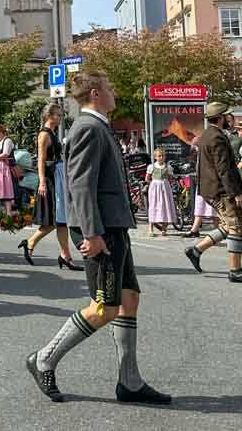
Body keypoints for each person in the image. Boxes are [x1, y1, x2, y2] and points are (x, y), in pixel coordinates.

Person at [27, 70, 170, 405]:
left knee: (129, 298)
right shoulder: (88, 128)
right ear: (95, 93)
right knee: (104, 307)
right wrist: (92, 233)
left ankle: (129, 382)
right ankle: (44, 358)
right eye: (108, 87)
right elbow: (80, 185)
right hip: (100, 231)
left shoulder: (97, 125)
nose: (113, 91)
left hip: (113, 227)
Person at [18, 104, 82, 271]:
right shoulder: (44, 134)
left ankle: (65, 255)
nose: (60, 118)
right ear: (49, 116)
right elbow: (41, 159)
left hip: (57, 176)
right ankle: (32, 242)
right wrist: (42, 182)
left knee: (61, 220)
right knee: (57, 219)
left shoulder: (52, 133)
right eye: (58, 115)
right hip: (51, 178)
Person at [184, 102, 242, 282]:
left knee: (227, 224)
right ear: (220, 118)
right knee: (236, 225)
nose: (230, 119)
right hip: (220, 190)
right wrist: (236, 193)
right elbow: (223, 169)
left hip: (212, 189)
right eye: (227, 116)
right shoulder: (216, 137)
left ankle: (196, 250)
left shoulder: (208, 134)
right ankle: (235, 270)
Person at [145, 148, 176, 236]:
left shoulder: (168, 167)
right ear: (155, 157)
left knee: (165, 206)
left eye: (162, 156)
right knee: (153, 206)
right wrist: (153, 184)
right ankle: (150, 229)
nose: (161, 157)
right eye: (159, 156)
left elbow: (170, 177)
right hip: (155, 188)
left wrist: (168, 179)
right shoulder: (151, 167)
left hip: (165, 188)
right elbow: (147, 178)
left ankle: (164, 228)